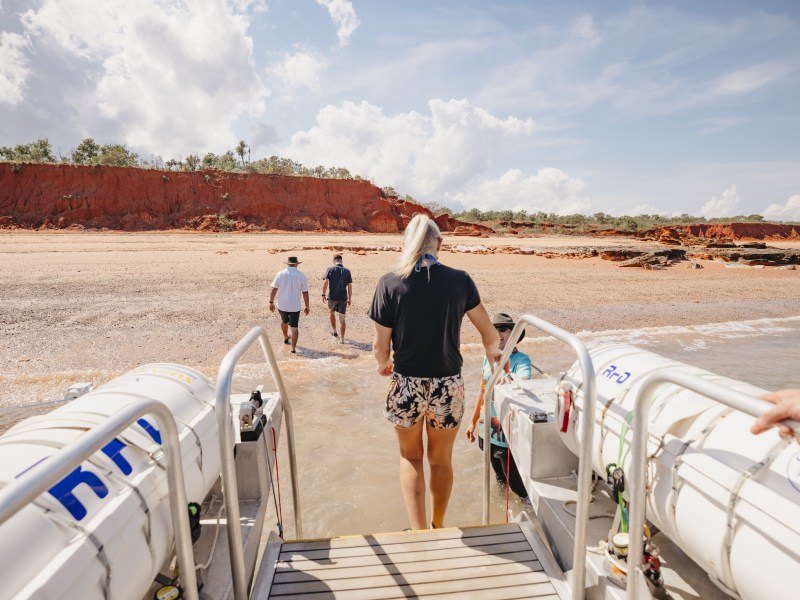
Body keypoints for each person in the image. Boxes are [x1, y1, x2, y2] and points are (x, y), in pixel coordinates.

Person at [369, 214, 501, 530]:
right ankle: (438, 525)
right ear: (439, 244)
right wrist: (494, 357)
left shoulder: (389, 283)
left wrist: (382, 365)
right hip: (448, 385)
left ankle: (419, 533)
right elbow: (490, 333)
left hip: (406, 385)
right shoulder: (460, 281)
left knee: (411, 459)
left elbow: (380, 347)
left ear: (407, 244)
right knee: (441, 461)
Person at [465, 313, 532, 503]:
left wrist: (509, 378)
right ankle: (501, 503)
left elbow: (525, 379)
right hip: (486, 428)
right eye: (494, 329)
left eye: (503, 329)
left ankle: (529, 509)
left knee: (516, 485)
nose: (497, 332)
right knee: (499, 477)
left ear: (513, 335)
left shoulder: (522, 360)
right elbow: (482, 391)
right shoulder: (488, 358)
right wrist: (472, 422)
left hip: (505, 432)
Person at [269, 256, 310, 354]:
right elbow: (305, 292)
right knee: (294, 327)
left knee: (284, 321)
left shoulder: (280, 274)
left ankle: (285, 337)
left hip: (282, 305)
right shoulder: (301, 275)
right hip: (295, 306)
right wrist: (307, 306)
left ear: (287, 264)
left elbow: (274, 288)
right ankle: (293, 348)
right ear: (296, 264)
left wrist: (271, 302)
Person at [322, 254, 352, 343]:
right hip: (343, 298)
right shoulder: (347, 271)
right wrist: (350, 298)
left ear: (333, 261)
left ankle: (335, 332)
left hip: (332, 297)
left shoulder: (330, 269)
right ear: (341, 261)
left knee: (331, 313)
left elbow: (326, 282)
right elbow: (350, 286)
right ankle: (342, 339)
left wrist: (323, 294)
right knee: (342, 319)